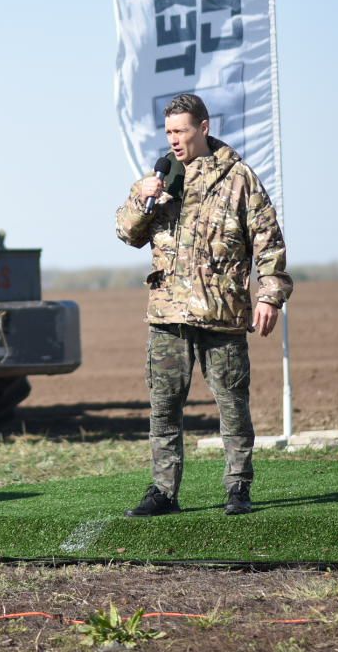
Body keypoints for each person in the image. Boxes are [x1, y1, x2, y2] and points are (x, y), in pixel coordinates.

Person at [115, 93, 292, 517]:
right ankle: (163, 491)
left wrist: (269, 295)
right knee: (164, 406)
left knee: (232, 403)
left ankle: (238, 488)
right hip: (168, 315)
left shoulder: (238, 178)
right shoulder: (160, 179)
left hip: (222, 312)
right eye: (169, 132)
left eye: (181, 131)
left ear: (204, 128)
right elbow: (127, 232)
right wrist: (144, 198)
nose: (174, 140)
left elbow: (268, 243)